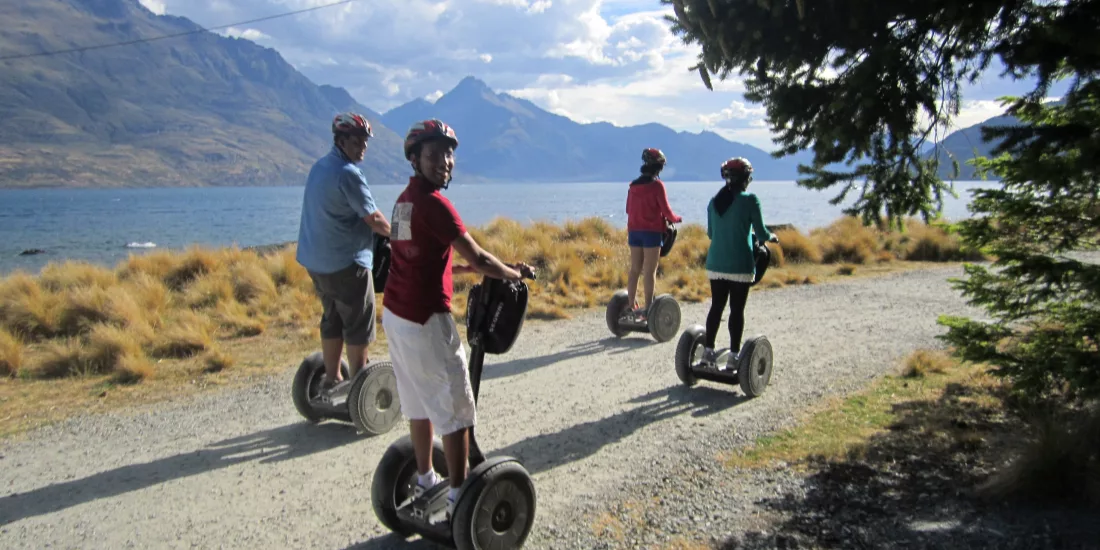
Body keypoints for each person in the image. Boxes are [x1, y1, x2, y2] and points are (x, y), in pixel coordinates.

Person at [381, 119, 535, 519]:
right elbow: (478, 256)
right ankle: (458, 497)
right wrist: (513, 274)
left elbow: (421, 258)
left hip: (396, 316)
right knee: (457, 408)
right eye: (434, 154)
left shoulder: (403, 202)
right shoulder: (435, 204)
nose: (445, 161)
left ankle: (426, 478)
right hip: (425, 319)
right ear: (415, 158)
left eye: (449, 154)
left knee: (417, 402)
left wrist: (489, 270)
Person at [295, 112, 392, 399]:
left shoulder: (320, 167)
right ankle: (359, 387)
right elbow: (373, 218)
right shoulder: (348, 173)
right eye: (357, 140)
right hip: (346, 262)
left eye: (365, 140)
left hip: (316, 261)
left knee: (333, 317)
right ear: (340, 140)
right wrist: (403, 235)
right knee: (359, 322)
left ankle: (332, 378)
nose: (363, 145)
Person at [702, 157, 778, 369]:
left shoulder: (714, 202)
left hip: (715, 263)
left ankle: (708, 351)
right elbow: (761, 232)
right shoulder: (750, 200)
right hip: (739, 264)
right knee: (737, 310)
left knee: (716, 306)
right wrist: (771, 237)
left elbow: (711, 233)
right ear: (746, 178)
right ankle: (734, 356)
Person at [624, 147, 682, 322]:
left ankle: (630, 305)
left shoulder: (633, 186)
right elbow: (666, 211)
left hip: (634, 232)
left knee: (635, 269)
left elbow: (628, 209)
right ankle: (649, 308)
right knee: (649, 271)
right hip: (651, 234)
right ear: (659, 167)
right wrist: (677, 219)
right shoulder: (657, 185)